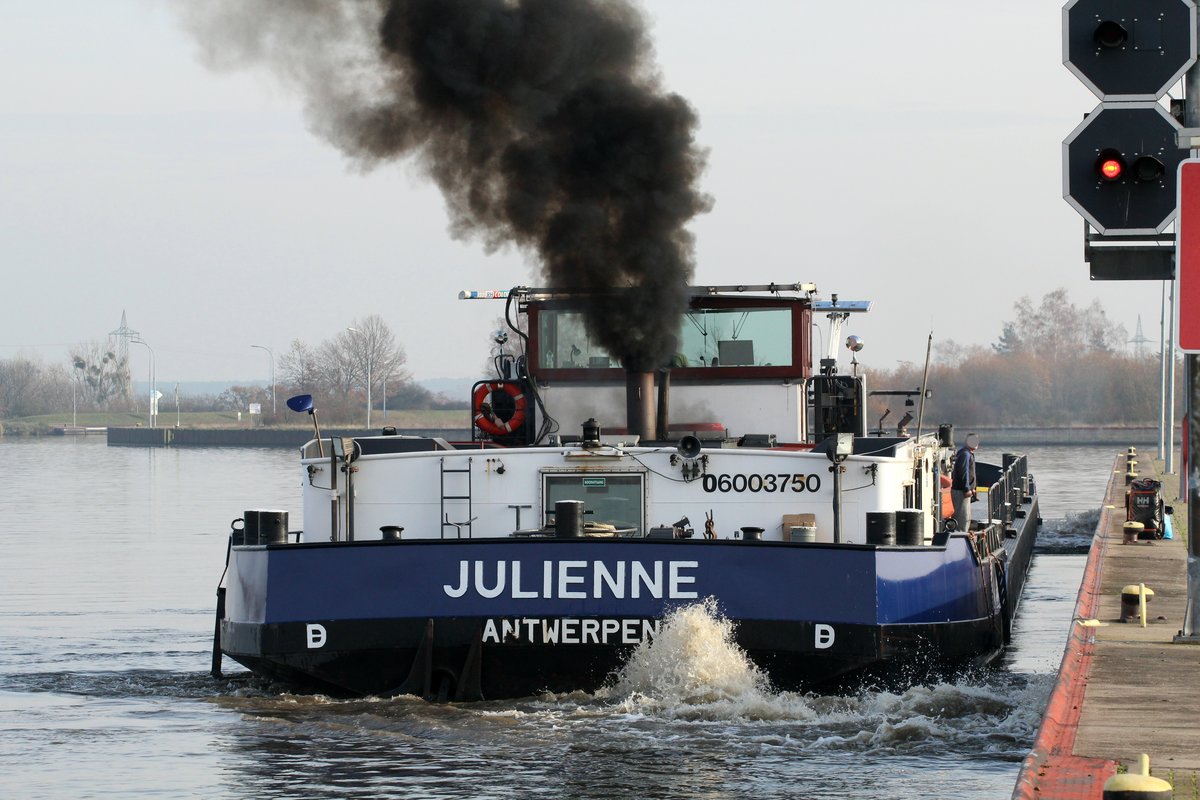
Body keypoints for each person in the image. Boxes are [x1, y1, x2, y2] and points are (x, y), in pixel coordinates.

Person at [951, 433, 980, 531]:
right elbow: (963, 472)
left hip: (963, 491)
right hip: (961, 492)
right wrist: (967, 489)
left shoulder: (967, 454)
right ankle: (960, 536)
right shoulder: (965, 454)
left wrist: (972, 488)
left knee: (965, 517)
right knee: (962, 518)